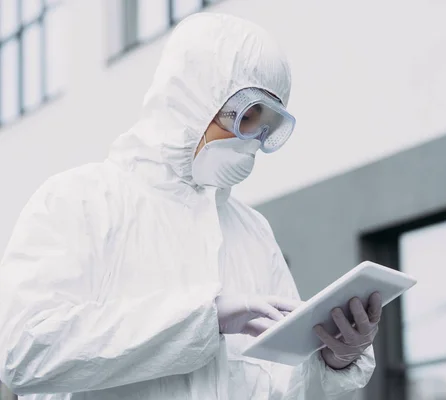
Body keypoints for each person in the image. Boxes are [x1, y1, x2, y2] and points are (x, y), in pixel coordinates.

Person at [0, 13, 380, 400]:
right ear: (194, 97)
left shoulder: (252, 231)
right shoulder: (80, 201)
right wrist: (205, 317)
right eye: (246, 117)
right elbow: (25, 353)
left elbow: (279, 385)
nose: (251, 140)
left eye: (266, 126)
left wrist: (333, 359)